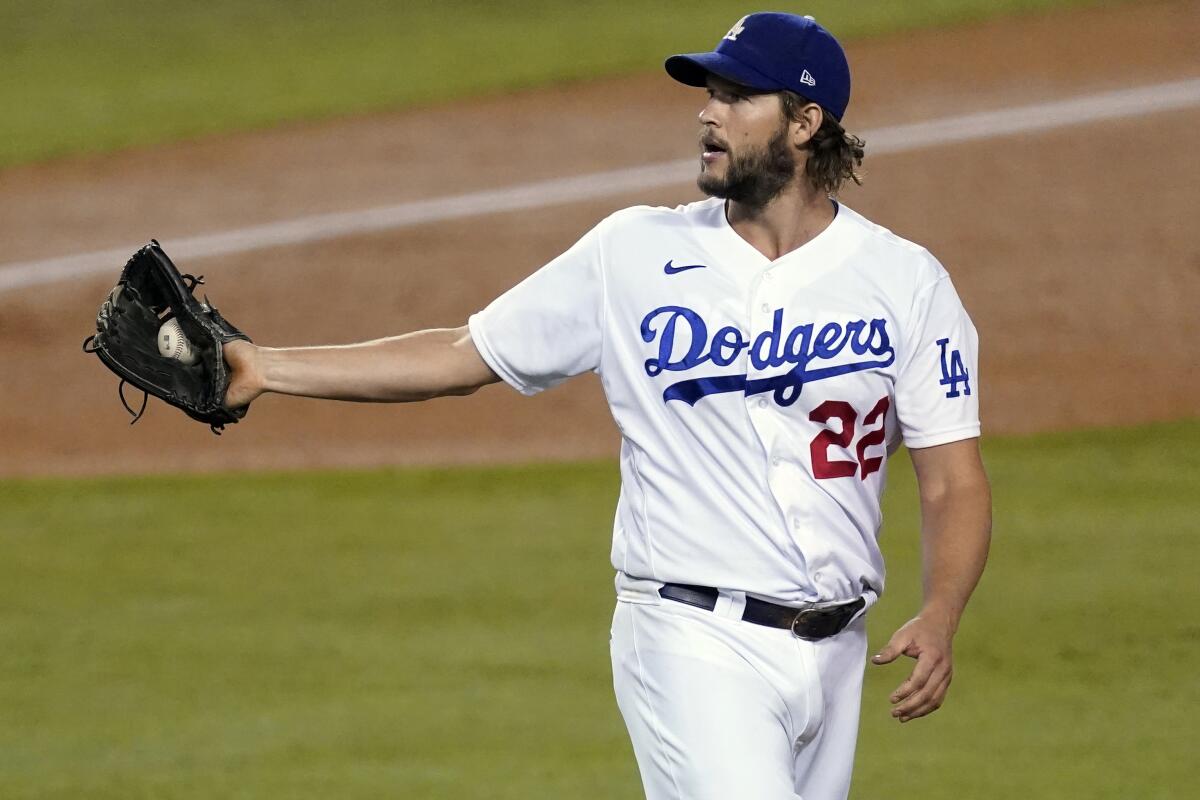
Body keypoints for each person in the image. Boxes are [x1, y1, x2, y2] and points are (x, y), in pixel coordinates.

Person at [223, 12, 991, 800]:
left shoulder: (905, 281)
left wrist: (940, 613)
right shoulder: (633, 254)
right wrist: (266, 367)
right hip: (691, 640)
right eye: (708, 94)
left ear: (805, 122)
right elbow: (465, 354)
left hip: (837, 653)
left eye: (735, 96)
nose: (707, 112)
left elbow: (951, 480)